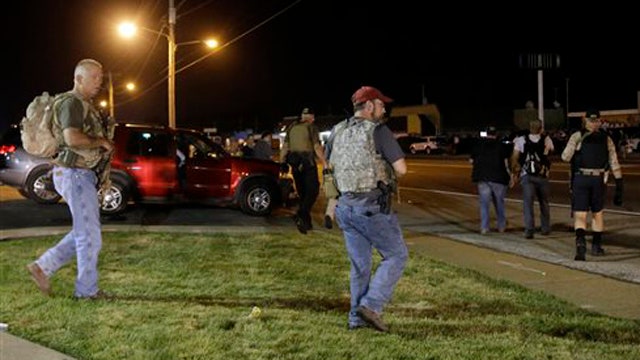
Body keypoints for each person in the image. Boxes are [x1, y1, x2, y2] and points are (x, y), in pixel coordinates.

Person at [26, 59, 114, 299]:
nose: (99, 82)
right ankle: (86, 291)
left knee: (83, 231)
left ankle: (42, 266)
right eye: (94, 77)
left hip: (78, 174)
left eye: (100, 77)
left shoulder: (83, 104)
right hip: (74, 173)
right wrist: (101, 142)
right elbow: (73, 138)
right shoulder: (71, 103)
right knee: (90, 236)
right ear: (78, 79)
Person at [327, 86, 408, 332]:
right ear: (370, 105)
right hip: (371, 209)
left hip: (345, 209)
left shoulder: (337, 130)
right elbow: (402, 169)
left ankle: (356, 319)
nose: (384, 109)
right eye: (382, 105)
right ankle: (371, 305)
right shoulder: (379, 131)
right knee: (396, 255)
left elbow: (329, 165)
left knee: (360, 266)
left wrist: (332, 205)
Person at [561, 109, 624, 261]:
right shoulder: (606, 138)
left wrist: (577, 150)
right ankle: (596, 246)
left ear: (585, 121)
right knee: (598, 213)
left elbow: (565, 157)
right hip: (598, 179)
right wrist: (619, 184)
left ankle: (580, 244)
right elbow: (614, 162)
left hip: (581, 178)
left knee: (580, 214)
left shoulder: (577, 136)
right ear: (599, 121)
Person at [280, 107, 327, 234]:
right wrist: (324, 163)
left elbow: (285, 147)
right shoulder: (311, 127)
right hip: (307, 163)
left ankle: (306, 222)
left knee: (302, 193)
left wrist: (282, 162)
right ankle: (301, 213)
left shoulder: (292, 127)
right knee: (313, 191)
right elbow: (317, 147)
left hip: (294, 164)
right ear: (311, 117)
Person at [510, 119, 555, 239]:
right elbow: (550, 153)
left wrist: (515, 172)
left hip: (527, 175)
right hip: (542, 175)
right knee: (544, 203)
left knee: (528, 203)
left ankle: (529, 229)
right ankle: (545, 228)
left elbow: (514, 158)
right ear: (541, 129)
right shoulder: (546, 139)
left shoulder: (521, 140)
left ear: (530, 128)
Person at [470, 126, 512, 234]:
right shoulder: (501, 146)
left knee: (484, 203)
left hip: (483, 177)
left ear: (486, 133)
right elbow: (506, 162)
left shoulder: (478, 145)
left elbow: (471, 160)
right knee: (499, 203)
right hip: (498, 177)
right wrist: (510, 175)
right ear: (495, 134)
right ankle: (501, 226)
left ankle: (484, 227)